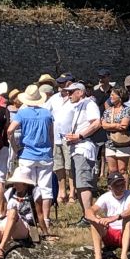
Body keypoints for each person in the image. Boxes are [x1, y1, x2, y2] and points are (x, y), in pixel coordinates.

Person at [8, 84, 55, 238]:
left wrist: (16, 148)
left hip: (27, 154)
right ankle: (45, 219)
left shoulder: (22, 113)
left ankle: (29, 217)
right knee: (45, 188)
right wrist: (51, 150)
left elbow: (10, 130)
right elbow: (51, 135)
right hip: (45, 154)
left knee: (27, 187)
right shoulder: (47, 114)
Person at [63, 82, 102, 226]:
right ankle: (86, 215)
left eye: (71, 92)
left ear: (80, 92)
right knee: (79, 183)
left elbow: (96, 123)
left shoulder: (89, 104)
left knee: (83, 183)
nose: (69, 94)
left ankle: (89, 217)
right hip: (76, 148)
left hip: (83, 148)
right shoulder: (79, 105)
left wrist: (80, 136)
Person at [85, 171, 130, 259]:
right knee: (94, 220)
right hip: (110, 234)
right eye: (116, 185)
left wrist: (115, 217)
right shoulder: (105, 197)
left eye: (122, 184)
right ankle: (98, 258)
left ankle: (123, 258)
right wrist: (97, 220)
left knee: (127, 218)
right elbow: (89, 212)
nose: (120, 187)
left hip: (127, 233)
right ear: (110, 188)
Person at [47, 73, 76, 206]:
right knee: (58, 166)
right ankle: (62, 191)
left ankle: (72, 193)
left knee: (70, 166)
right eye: (59, 83)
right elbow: (45, 111)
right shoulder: (54, 98)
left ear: (70, 83)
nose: (60, 86)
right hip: (56, 136)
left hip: (70, 137)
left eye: (63, 83)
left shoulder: (75, 99)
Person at [101, 86, 130, 176]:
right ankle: (113, 189)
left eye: (112, 95)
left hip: (123, 143)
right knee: (112, 170)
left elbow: (124, 126)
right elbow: (103, 125)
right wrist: (116, 125)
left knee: (122, 170)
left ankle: (125, 189)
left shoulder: (127, 110)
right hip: (110, 143)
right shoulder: (107, 111)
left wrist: (110, 126)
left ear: (120, 97)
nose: (110, 97)